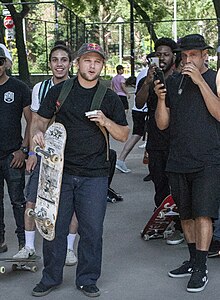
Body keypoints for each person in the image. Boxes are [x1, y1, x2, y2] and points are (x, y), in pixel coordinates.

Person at [31, 43, 129, 297]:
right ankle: (50, 277)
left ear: (102, 65)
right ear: (78, 63)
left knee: (92, 231)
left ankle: (87, 278)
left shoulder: (108, 97)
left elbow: (123, 134)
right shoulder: (60, 90)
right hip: (59, 173)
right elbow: (39, 122)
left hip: (95, 175)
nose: (92, 65)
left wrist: (106, 121)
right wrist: (37, 135)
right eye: (87, 60)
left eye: (97, 61)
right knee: (54, 229)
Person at [155, 34, 220, 292]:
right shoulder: (174, 82)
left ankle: (202, 265)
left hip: (208, 159)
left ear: (205, 54)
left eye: (193, 55)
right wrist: (161, 99)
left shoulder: (214, 78)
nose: (188, 60)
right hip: (178, 159)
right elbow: (162, 124)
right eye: (185, 56)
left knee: (203, 214)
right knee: (187, 216)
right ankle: (193, 260)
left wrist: (200, 83)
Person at [13, 43, 78, 266]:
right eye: (55, 60)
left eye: (63, 60)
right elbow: (34, 122)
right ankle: (29, 246)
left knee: (70, 204)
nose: (59, 64)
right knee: (32, 199)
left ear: (70, 63)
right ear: (50, 63)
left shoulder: (77, 87)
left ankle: (69, 249)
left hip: (70, 154)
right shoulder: (40, 88)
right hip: (44, 153)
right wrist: (31, 152)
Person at [135, 38, 184, 245]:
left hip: (177, 139)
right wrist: (147, 82)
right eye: (158, 54)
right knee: (159, 182)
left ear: (174, 56)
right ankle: (161, 221)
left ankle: (180, 226)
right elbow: (138, 103)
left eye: (166, 54)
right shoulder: (149, 78)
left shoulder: (180, 78)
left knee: (179, 185)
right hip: (156, 139)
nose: (161, 57)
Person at [0, 47, 32, 253]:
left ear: (6, 63)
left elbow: (31, 121)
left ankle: (24, 243)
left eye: (0, 61)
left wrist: (24, 150)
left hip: (12, 155)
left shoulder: (19, 88)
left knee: (18, 201)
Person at [116, 57, 149, 174]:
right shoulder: (148, 73)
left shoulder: (143, 72)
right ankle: (121, 159)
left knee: (139, 134)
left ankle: (121, 159)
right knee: (137, 135)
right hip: (143, 110)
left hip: (139, 109)